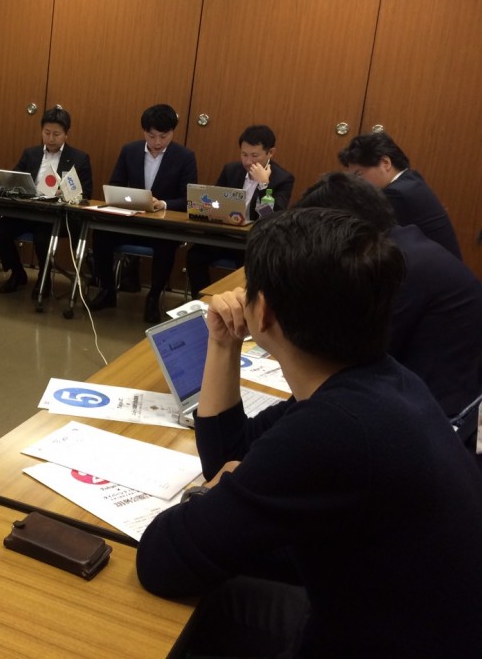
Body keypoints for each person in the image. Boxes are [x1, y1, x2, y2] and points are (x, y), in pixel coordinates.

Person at [135, 207, 482, 657]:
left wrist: (209, 493)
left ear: (263, 311)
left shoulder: (333, 429)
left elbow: (160, 561)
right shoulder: (380, 380)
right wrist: (223, 342)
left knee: (175, 618)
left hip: (374, 640)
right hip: (395, 621)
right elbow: (230, 453)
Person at [295, 171, 482, 421]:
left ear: (344, 227)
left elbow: (355, 356)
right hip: (430, 388)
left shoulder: (397, 267)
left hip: (442, 412)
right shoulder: (403, 243)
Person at [89, 104, 197, 322]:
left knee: (166, 244)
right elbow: (116, 184)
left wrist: (163, 204)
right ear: (144, 132)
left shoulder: (185, 156)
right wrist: (128, 199)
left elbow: (189, 199)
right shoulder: (130, 151)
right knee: (101, 235)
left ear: (172, 132)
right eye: (151, 136)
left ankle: (153, 297)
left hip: (163, 226)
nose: (157, 142)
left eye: (163, 136)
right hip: (131, 221)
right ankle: (108, 290)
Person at [0, 106, 93, 297]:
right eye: (47, 133)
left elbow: (86, 193)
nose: (51, 138)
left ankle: (44, 279)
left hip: (57, 217)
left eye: (56, 134)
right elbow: (15, 178)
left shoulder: (79, 158)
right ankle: (17, 273)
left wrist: (65, 192)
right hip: (29, 211)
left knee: (42, 237)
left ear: (66, 134)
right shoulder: (31, 154)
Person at [185, 125, 294, 297]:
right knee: (195, 256)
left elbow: (271, 217)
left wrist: (263, 185)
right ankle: (201, 302)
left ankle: (243, 306)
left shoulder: (282, 178)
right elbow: (215, 201)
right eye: (244, 154)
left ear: (270, 153)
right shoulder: (231, 170)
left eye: (254, 156)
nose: (248, 161)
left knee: (250, 267)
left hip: (253, 243)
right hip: (225, 235)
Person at [338, 131, 462, 259]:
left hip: (431, 268)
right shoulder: (411, 180)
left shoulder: (397, 194)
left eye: (359, 175)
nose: (356, 182)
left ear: (385, 163)